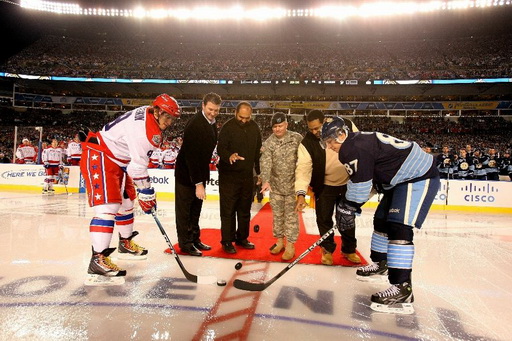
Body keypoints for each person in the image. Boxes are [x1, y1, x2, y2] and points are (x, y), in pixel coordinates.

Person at [321, 117, 440, 314]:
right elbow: (368, 182)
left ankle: (402, 289)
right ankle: (381, 263)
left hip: (418, 176)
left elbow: (360, 187)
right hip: (398, 181)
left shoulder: (352, 148)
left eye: (331, 141)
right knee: (381, 220)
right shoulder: (355, 144)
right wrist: (348, 207)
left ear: (341, 135)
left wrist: (348, 206)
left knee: (399, 227)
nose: (329, 146)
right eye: (326, 142)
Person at [80, 93, 180, 284]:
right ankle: (98, 259)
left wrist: (144, 191)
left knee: (126, 203)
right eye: (166, 115)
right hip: (101, 156)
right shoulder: (148, 133)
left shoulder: (148, 113)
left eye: (172, 118)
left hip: (118, 160)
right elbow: (138, 167)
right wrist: (147, 192)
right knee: (107, 209)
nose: (169, 121)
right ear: (157, 111)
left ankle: (125, 243)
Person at [294, 110, 361, 265]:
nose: (314, 132)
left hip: (347, 184)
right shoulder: (307, 143)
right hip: (324, 187)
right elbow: (303, 169)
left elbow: (360, 146)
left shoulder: (346, 125)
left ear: (325, 122)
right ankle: (327, 249)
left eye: (317, 128)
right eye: (311, 129)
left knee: (347, 219)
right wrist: (301, 194)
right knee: (323, 219)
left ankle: (349, 249)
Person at [174, 92, 221, 257]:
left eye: (216, 110)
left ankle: (194, 239)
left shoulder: (211, 122)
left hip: (199, 174)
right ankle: (186, 244)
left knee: (195, 210)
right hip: (187, 176)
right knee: (185, 211)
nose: (213, 113)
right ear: (203, 105)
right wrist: (198, 183)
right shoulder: (195, 124)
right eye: (210, 109)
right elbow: (191, 157)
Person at [217, 101, 262, 254]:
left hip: (247, 176)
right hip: (228, 176)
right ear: (236, 113)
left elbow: (257, 153)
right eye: (241, 117)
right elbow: (220, 148)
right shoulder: (228, 127)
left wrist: (259, 173)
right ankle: (227, 241)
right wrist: (229, 155)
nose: (244, 120)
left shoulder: (255, 127)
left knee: (244, 209)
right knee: (228, 210)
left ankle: (242, 238)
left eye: (247, 118)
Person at [260, 112, 303, 261]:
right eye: (275, 127)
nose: (277, 129)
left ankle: (290, 245)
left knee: (291, 218)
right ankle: (279, 242)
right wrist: (265, 180)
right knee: (277, 217)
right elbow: (265, 162)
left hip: (292, 187)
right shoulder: (269, 143)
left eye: (280, 126)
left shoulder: (296, 138)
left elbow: (304, 161)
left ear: (286, 124)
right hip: (276, 187)